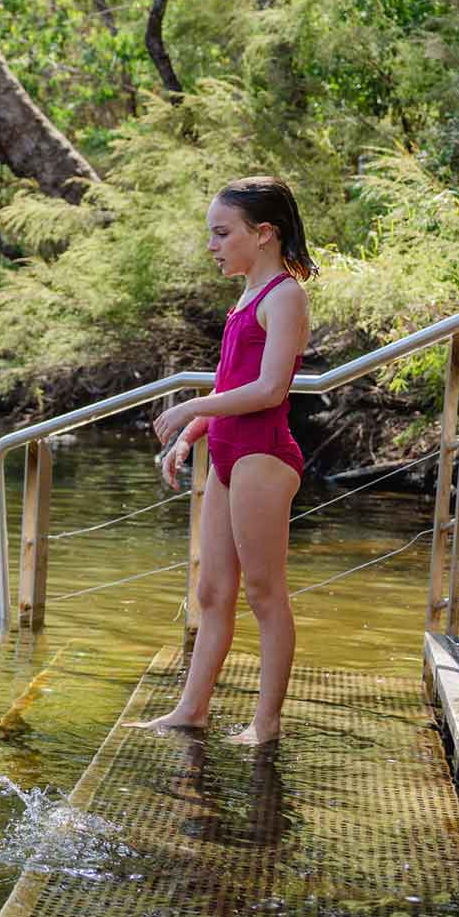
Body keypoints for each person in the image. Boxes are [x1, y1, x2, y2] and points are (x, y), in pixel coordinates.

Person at [144, 176, 316, 745]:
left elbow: (269, 390)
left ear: (263, 233)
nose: (212, 246)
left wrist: (192, 402)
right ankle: (191, 710)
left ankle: (266, 726)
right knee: (213, 591)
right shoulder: (244, 295)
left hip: (262, 457)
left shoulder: (285, 296)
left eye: (222, 233)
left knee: (264, 593)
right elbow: (230, 381)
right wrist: (191, 433)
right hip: (225, 452)